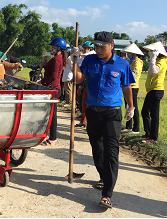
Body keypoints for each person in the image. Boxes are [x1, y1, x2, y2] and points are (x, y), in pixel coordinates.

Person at [72, 31, 135, 209]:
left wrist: (131, 107)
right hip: (93, 112)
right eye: (96, 46)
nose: (98, 49)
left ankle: (107, 194)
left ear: (111, 46)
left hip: (112, 114)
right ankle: (103, 176)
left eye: (102, 46)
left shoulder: (122, 64)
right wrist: (74, 61)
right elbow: (78, 79)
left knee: (111, 152)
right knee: (97, 150)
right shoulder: (89, 61)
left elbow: (126, 86)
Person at [40, 37, 68, 146]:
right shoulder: (57, 58)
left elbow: (54, 76)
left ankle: (53, 138)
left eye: (53, 47)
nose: (51, 49)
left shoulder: (58, 59)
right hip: (51, 88)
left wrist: (42, 81)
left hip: (53, 89)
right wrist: (44, 64)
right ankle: (46, 134)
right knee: (48, 113)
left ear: (58, 48)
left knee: (52, 114)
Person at [140, 42, 167, 144]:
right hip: (152, 90)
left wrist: (153, 58)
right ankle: (148, 133)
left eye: (153, 51)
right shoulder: (158, 60)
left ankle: (153, 137)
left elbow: (153, 71)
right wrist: (153, 58)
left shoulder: (162, 61)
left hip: (156, 90)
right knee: (144, 112)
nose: (151, 53)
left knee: (154, 115)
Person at [121, 43, 144, 133]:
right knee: (127, 106)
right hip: (128, 85)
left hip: (133, 86)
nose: (128, 54)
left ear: (134, 53)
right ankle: (128, 126)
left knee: (133, 106)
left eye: (129, 53)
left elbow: (134, 73)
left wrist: (125, 77)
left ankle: (136, 128)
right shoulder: (131, 62)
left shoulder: (138, 62)